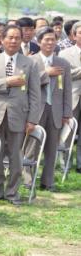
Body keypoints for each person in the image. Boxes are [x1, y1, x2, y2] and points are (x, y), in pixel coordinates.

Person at [0, 25, 41, 205]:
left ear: (21, 39)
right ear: (2, 39)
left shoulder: (29, 63)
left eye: (17, 38)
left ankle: (12, 192)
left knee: (16, 156)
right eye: (10, 37)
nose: (13, 41)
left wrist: (32, 119)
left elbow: (35, 94)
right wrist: (7, 82)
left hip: (19, 116)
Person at [26, 27, 72, 191]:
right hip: (36, 110)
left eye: (53, 39)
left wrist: (67, 113)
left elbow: (67, 90)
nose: (50, 42)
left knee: (52, 148)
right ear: (39, 42)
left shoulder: (63, 63)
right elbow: (25, 84)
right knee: (32, 146)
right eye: (46, 39)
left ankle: (48, 182)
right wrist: (45, 73)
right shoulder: (31, 61)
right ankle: (28, 179)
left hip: (56, 111)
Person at [59, 21, 81, 174]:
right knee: (68, 132)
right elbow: (64, 75)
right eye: (80, 33)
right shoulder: (65, 53)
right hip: (73, 97)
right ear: (74, 35)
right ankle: (65, 164)